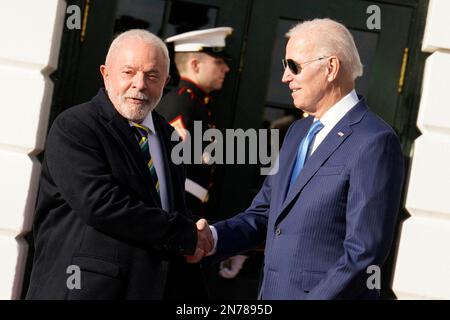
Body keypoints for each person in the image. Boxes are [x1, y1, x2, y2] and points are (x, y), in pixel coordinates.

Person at [192, 18, 405, 300]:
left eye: (294, 66)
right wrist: (213, 239)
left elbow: (363, 254)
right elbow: (265, 215)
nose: (285, 77)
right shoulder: (298, 131)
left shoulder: (375, 141)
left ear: (331, 68)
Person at [25, 29, 213, 300]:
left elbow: (171, 208)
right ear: (105, 73)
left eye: (152, 76)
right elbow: (101, 205)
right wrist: (184, 235)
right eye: (128, 72)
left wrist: (193, 239)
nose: (139, 84)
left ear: (166, 82)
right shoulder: (76, 126)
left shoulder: (168, 136)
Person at [157, 26, 248, 298]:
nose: (226, 69)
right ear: (195, 64)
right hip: (177, 227)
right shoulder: (182, 106)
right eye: (219, 62)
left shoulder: (197, 105)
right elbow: (167, 177)